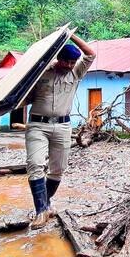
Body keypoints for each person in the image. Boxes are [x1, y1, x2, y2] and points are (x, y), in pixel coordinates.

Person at [25, 35, 96, 229]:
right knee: (35, 164)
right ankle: (40, 211)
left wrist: (70, 35)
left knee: (58, 169)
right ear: (58, 58)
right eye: (67, 61)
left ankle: (46, 204)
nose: (70, 65)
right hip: (37, 125)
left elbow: (91, 54)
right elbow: (24, 95)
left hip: (63, 127)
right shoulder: (40, 73)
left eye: (73, 62)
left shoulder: (76, 73)